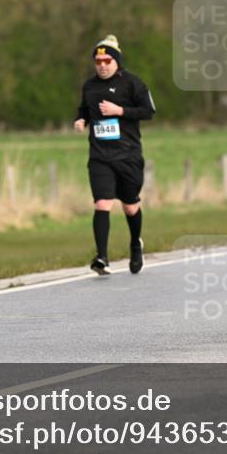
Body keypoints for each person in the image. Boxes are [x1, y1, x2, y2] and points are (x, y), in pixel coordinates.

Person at [74, 35, 155, 275]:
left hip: (128, 155)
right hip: (100, 156)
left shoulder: (132, 84)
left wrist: (119, 110)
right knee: (102, 203)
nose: (102, 65)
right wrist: (81, 120)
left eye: (107, 60)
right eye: (98, 61)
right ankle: (102, 257)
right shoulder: (89, 86)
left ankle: (135, 243)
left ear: (116, 61)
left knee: (130, 207)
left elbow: (148, 111)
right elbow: (83, 109)